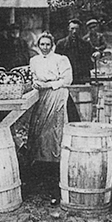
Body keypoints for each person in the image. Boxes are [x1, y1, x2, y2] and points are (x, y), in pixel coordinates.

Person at [27, 32, 73, 205]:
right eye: (42, 44)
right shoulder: (35, 61)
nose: (45, 47)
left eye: (48, 44)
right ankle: (42, 170)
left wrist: (50, 84)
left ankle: (56, 169)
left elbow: (67, 79)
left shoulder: (61, 59)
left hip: (57, 94)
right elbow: (32, 77)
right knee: (40, 133)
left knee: (54, 131)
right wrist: (36, 84)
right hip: (42, 96)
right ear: (38, 46)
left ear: (52, 45)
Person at [55, 18, 95, 84]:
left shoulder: (85, 44)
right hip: (66, 76)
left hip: (82, 77)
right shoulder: (61, 44)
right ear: (68, 29)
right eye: (72, 28)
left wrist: (97, 53)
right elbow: (56, 61)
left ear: (80, 30)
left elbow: (95, 52)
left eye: (77, 29)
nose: (74, 31)